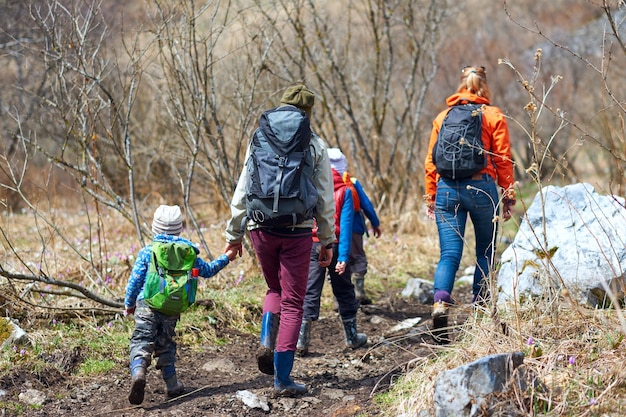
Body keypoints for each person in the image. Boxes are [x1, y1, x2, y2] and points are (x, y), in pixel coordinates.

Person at [224, 84, 336, 396]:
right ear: (308, 112)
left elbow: (244, 188)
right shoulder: (314, 143)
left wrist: (233, 235)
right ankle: (283, 379)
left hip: (260, 228)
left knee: (274, 289)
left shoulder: (259, 137)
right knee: (293, 302)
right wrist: (327, 240)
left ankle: (265, 340)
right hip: (298, 231)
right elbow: (325, 197)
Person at [423, 65, 516, 333]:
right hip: (481, 189)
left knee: (449, 254)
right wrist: (508, 195)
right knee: (485, 252)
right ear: (484, 86)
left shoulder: (443, 116)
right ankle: (480, 311)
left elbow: (431, 162)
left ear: (461, 85)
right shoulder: (493, 115)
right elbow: (503, 158)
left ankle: (440, 302)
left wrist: (431, 195)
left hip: (447, 190)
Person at [124, 204, 237, 405]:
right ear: (179, 229)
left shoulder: (148, 251)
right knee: (166, 344)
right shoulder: (188, 253)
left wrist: (129, 304)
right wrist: (227, 257)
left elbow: (134, 281)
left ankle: (139, 372)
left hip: (146, 304)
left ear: (154, 228)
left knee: (141, 340)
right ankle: (172, 385)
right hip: (172, 308)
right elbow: (209, 270)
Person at [296, 149, 367, 355]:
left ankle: (302, 341)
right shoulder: (345, 191)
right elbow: (345, 228)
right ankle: (352, 337)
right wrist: (344, 257)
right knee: (344, 290)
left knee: (310, 290)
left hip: (311, 244)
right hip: (335, 246)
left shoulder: (309, 185)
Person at [327, 148, 382, 305]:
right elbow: (366, 204)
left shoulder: (322, 183)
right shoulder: (352, 182)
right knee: (357, 257)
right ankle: (359, 291)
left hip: (333, 230)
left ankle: (337, 299)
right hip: (355, 229)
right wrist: (375, 223)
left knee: (335, 262)